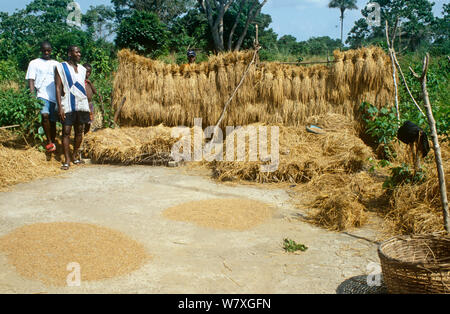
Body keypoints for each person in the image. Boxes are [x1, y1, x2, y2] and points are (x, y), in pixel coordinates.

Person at [54, 46, 91, 170]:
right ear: (70, 53)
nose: (79, 54)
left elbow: (83, 86)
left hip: (81, 104)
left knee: (79, 131)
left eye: (80, 52)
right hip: (68, 104)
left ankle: (75, 156)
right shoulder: (61, 67)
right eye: (77, 52)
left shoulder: (82, 69)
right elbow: (58, 87)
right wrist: (60, 107)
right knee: (66, 132)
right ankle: (67, 159)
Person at [26, 41, 60, 153]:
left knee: (53, 121)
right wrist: (32, 96)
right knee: (44, 116)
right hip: (41, 95)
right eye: (44, 50)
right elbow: (31, 79)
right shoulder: (34, 63)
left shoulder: (56, 64)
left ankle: (53, 142)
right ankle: (49, 141)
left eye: (48, 50)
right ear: (41, 50)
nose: (46, 52)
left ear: (51, 50)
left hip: (55, 96)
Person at [82, 63, 102, 134]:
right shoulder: (80, 81)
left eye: (89, 72)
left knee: (88, 122)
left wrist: (90, 83)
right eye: (86, 71)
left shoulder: (89, 83)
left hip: (89, 104)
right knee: (81, 122)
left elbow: (95, 92)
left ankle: (86, 134)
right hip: (81, 104)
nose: (88, 74)